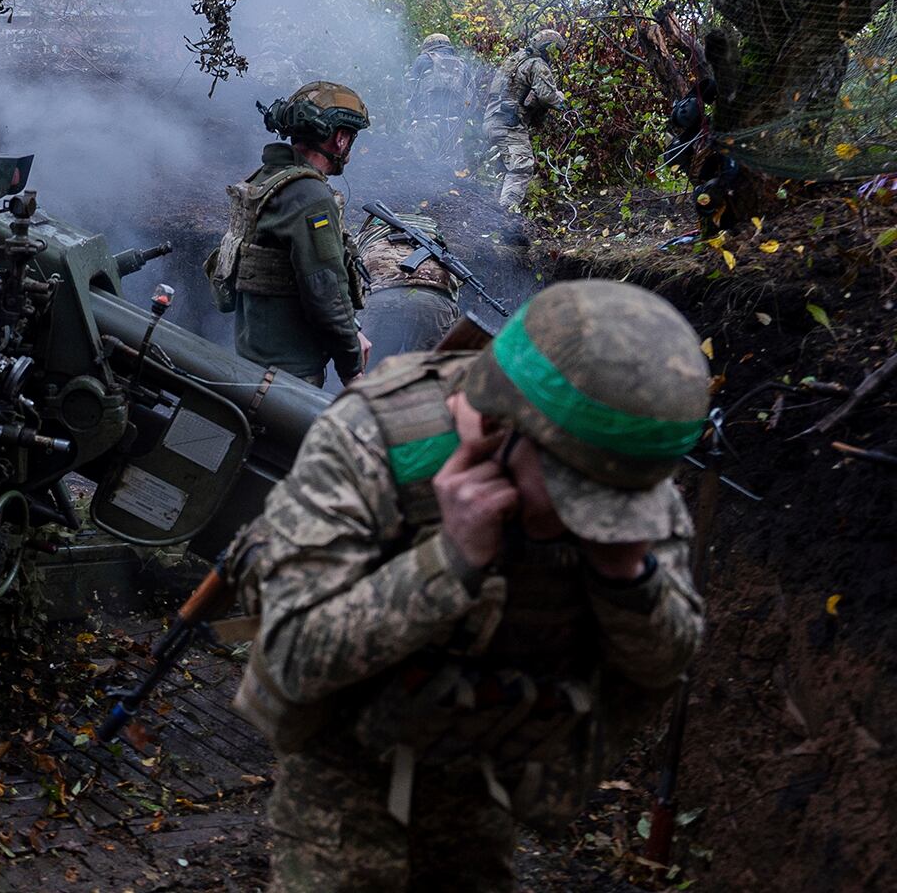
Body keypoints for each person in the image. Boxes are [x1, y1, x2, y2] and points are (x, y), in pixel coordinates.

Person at [226, 279, 708, 891]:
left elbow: (667, 661)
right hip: (343, 779)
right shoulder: (375, 437)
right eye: (571, 493)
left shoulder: (621, 457)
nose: (587, 520)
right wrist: (450, 561)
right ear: (502, 428)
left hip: (487, 771)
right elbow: (292, 653)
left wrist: (626, 577)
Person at [205, 81, 373, 388]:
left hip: (253, 361)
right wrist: (353, 370)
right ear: (340, 138)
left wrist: (353, 328)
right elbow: (326, 291)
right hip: (288, 377)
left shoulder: (267, 180)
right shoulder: (310, 196)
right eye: (352, 137)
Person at [484, 29, 568, 242]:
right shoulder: (537, 64)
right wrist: (561, 99)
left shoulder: (514, 59)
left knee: (505, 169)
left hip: (493, 120)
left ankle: (492, 217)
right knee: (521, 167)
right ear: (550, 49)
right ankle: (506, 216)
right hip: (510, 124)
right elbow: (548, 96)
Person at [353, 210, 461, 359]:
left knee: (369, 372)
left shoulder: (363, 241)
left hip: (380, 298)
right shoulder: (439, 248)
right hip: (433, 301)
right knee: (423, 374)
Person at [405, 34, 473, 165]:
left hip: (425, 120)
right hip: (453, 123)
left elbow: (410, 90)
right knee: (449, 166)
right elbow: (471, 96)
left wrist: (409, 115)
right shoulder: (463, 65)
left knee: (422, 164)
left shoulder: (423, 60)